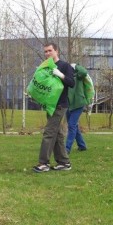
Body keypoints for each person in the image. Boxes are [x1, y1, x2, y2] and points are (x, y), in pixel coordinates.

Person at [32, 43, 75, 173]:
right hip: (50, 105)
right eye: (45, 52)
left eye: (50, 51)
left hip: (60, 105)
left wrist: (60, 75)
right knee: (58, 134)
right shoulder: (46, 67)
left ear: (56, 51)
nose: (47, 53)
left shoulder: (65, 66)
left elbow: (71, 83)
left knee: (49, 133)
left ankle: (43, 163)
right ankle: (64, 162)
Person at [65, 64, 93, 154]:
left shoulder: (78, 75)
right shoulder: (66, 77)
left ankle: (67, 148)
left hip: (78, 103)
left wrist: (76, 65)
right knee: (74, 126)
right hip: (69, 104)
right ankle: (82, 146)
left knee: (71, 125)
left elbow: (84, 71)